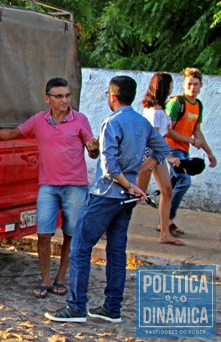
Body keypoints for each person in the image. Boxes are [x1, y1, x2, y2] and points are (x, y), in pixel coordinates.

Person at [45, 76, 170, 323]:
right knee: (116, 251)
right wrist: (136, 177)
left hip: (105, 195)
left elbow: (110, 168)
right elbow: (162, 150)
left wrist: (129, 182)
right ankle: (112, 308)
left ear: (112, 97)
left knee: (80, 248)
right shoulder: (142, 123)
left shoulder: (112, 122)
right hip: (125, 198)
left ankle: (77, 306)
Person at [0, 78, 99, 298]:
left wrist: (93, 150)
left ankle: (61, 278)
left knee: (71, 235)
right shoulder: (38, 120)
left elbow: (92, 150)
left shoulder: (80, 119)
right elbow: (13, 133)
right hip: (48, 186)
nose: (65, 100)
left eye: (67, 95)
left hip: (75, 186)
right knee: (43, 233)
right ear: (48, 99)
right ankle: (45, 279)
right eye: (59, 96)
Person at [163, 68, 216, 236]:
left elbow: (196, 131)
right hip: (171, 149)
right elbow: (167, 130)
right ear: (184, 84)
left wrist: (209, 152)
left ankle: (163, 221)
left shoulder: (198, 105)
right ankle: (168, 220)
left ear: (200, 85)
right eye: (189, 84)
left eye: (195, 84)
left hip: (183, 150)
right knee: (184, 181)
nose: (192, 87)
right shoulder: (176, 103)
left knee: (171, 185)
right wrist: (192, 141)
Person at [136, 72, 184, 245]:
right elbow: (154, 138)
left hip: (157, 155)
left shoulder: (159, 109)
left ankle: (165, 233)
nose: (172, 87)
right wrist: (169, 157)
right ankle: (106, 226)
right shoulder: (155, 111)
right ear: (163, 87)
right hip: (151, 155)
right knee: (135, 194)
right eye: (170, 84)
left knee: (167, 190)